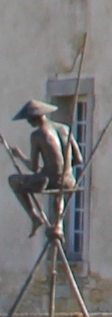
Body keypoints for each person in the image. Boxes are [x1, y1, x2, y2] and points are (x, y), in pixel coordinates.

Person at [8, 99, 81, 237]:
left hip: (49, 181)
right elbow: (78, 159)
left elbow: (34, 168)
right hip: (69, 181)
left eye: (29, 120)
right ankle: (58, 224)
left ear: (34, 118)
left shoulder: (38, 135)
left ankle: (34, 217)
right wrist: (61, 169)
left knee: (14, 180)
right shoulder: (65, 129)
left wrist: (20, 156)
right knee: (59, 189)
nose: (29, 123)